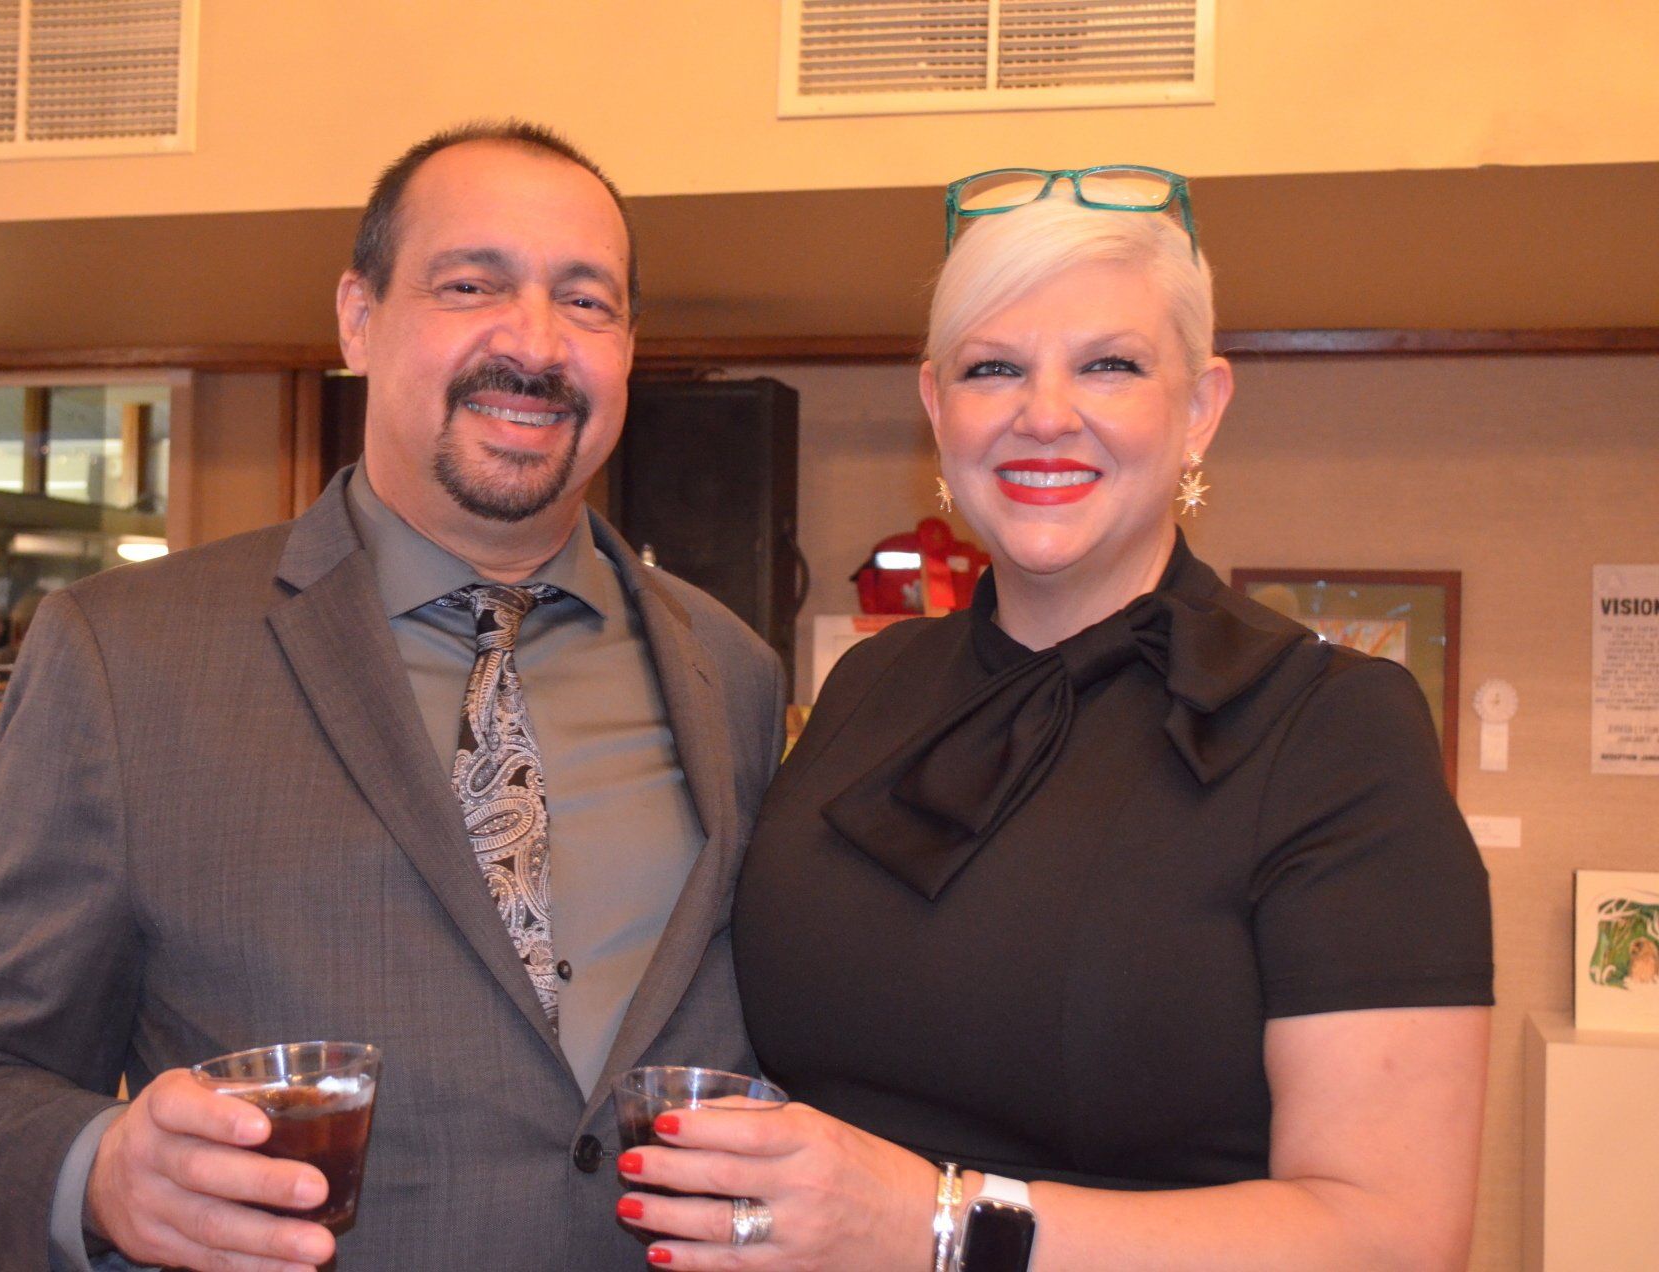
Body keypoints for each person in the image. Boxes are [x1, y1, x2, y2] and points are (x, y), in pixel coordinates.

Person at [0, 120, 787, 1272]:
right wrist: (103, 1175)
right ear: (359, 318)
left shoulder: (733, 673)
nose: (535, 343)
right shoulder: (126, 659)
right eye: (471, 285)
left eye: (586, 302)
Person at [614, 168, 1493, 1270]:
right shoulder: (872, 686)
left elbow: (1395, 1238)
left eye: (1109, 365)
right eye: (993, 368)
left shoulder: (1331, 730)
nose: (1044, 415)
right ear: (937, 407)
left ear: (1201, 408)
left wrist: (935, 1226)